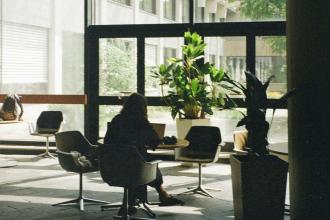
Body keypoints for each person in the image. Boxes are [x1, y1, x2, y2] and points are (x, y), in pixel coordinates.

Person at [104, 93, 184, 209]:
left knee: (141, 159)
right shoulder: (141, 121)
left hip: (113, 166)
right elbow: (154, 141)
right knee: (148, 162)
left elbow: (107, 141)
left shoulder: (117, 119)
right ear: (143, 107)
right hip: (135, 166)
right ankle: (160, 196)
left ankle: (133, 202)